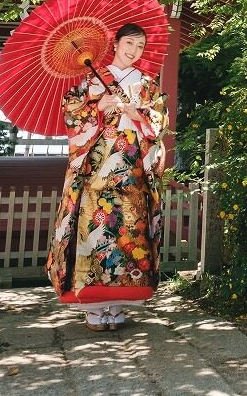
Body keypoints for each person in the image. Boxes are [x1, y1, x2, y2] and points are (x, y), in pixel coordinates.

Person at [46, 22, 166, 331]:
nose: (134, 51)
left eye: (140, 46)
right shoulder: (91, 80)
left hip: (132, 171)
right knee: (96, 231)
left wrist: (136, 111)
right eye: (130, 43)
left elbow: (159, 121)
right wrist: (99, 105)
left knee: (129, 231)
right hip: (97, 171)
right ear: (116, 43)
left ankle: (118, 302)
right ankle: (94, 306)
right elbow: (72, 113)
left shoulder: (148, 84)